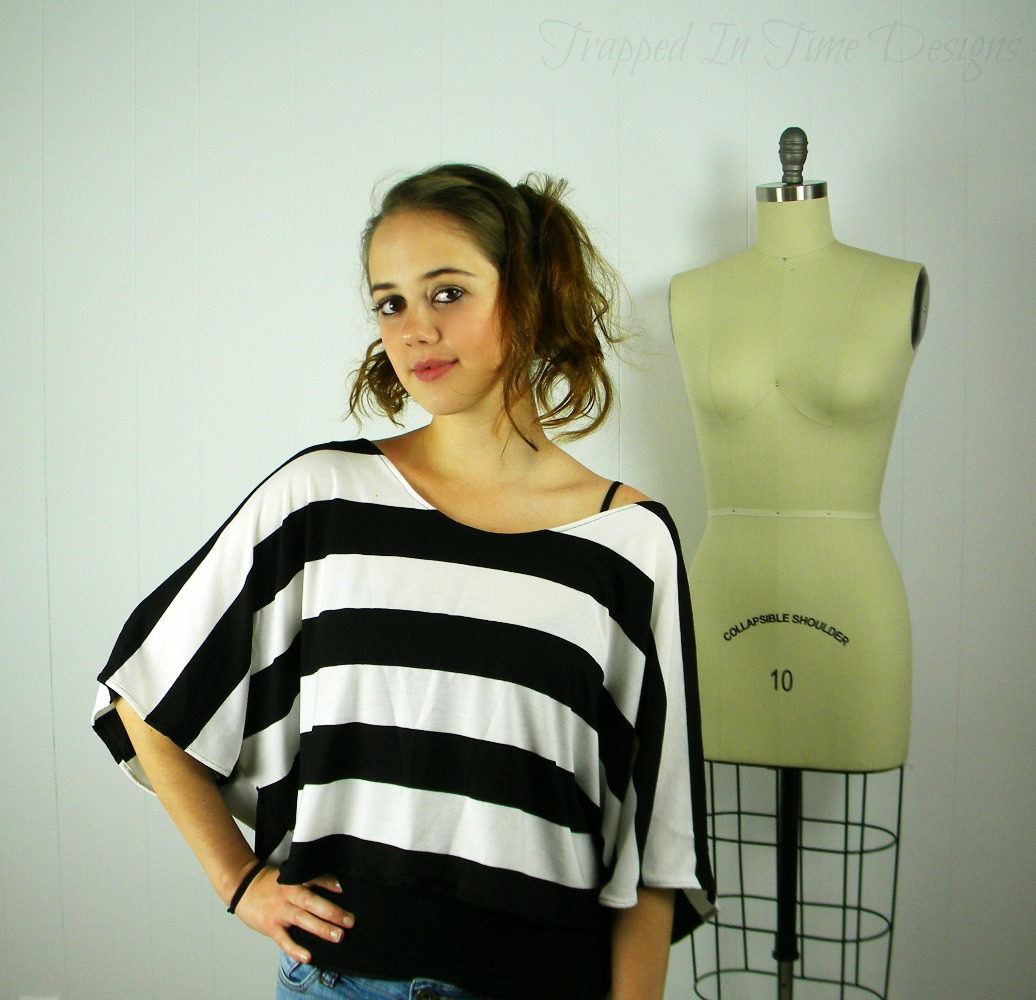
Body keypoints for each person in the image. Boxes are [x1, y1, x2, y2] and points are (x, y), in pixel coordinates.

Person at [93, 163, 714, 1000]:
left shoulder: (628, 545)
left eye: (447, 292)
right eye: (390, 303)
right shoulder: (320, 502)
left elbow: (657, 838)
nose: (416, 329)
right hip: (343, 982)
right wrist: (238, 880)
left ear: (528, 294)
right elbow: (144, 695)